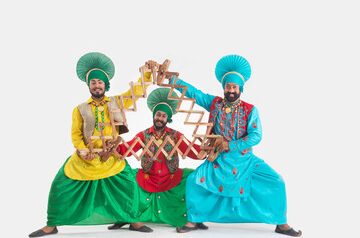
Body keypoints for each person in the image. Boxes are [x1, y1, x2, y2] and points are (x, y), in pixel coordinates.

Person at [171, 55, 302, 236]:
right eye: (228, 87)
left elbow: (256, 136)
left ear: (240, 89)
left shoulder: (250, 109)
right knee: (194, 181)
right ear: (224, 88)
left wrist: (230, 145)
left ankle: (281, 223)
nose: (231, 90)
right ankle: (194, 220)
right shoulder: (215, 103)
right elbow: (194, 93)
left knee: (277, 181)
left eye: (234, 87)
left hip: (245, 160)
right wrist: (171, 79)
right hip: (218, 160)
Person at [29, 52, 154, 237]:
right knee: (60, 185)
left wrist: (147, 73)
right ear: (89, 85)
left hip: (110, 156)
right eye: (93, 82)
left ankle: (133, 220)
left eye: (100, 82)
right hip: (86, 158)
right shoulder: (80, 109)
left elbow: (136, 92)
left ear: (106, 84)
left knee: (128, 184)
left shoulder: (116, 102)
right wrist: (83, 151)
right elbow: (76, 134)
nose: (97, 85)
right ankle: (52, 224)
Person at [107, 88, 208, 230]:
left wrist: (207, 149)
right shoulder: (144, 135)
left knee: (195, 178)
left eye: (163, 116)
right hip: (148, 177)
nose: (160, 118)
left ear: (168, 119)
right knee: (125, 179)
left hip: (171, 177)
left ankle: (195, 217)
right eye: (158, 115)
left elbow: (191, 151)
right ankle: (125, 216)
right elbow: (128, 149)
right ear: (154, 115)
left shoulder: (175, 135)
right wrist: (114, 146)